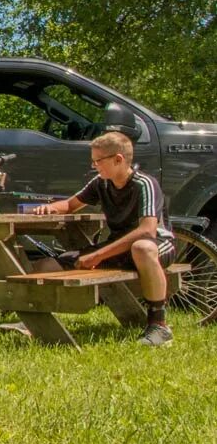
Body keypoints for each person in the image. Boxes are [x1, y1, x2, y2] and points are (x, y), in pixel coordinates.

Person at [28, 130, 177, 347]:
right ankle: (38, 322)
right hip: (119, 248)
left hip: (157, 246)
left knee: (142, 247)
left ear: (118, 159)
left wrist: (97, 255)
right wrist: (49, 208)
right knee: (46, 264)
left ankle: (159, 325)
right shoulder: (101, 183)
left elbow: (147, 231)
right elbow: (71, 205)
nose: (95, 166)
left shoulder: (144, 183)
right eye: (93, 161)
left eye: (98, 161)